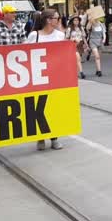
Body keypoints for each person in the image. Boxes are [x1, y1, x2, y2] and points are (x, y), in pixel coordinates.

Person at [26, 9, 65, 151]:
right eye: (56, 18)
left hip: (55, 77)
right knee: (39, 108)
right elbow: (25, 54)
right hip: (38, 77)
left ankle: (54, 137)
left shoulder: (60, 35)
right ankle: (40, 137)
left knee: (53, 107)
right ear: (49, 20)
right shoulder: (34, 36)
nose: (58, 20)